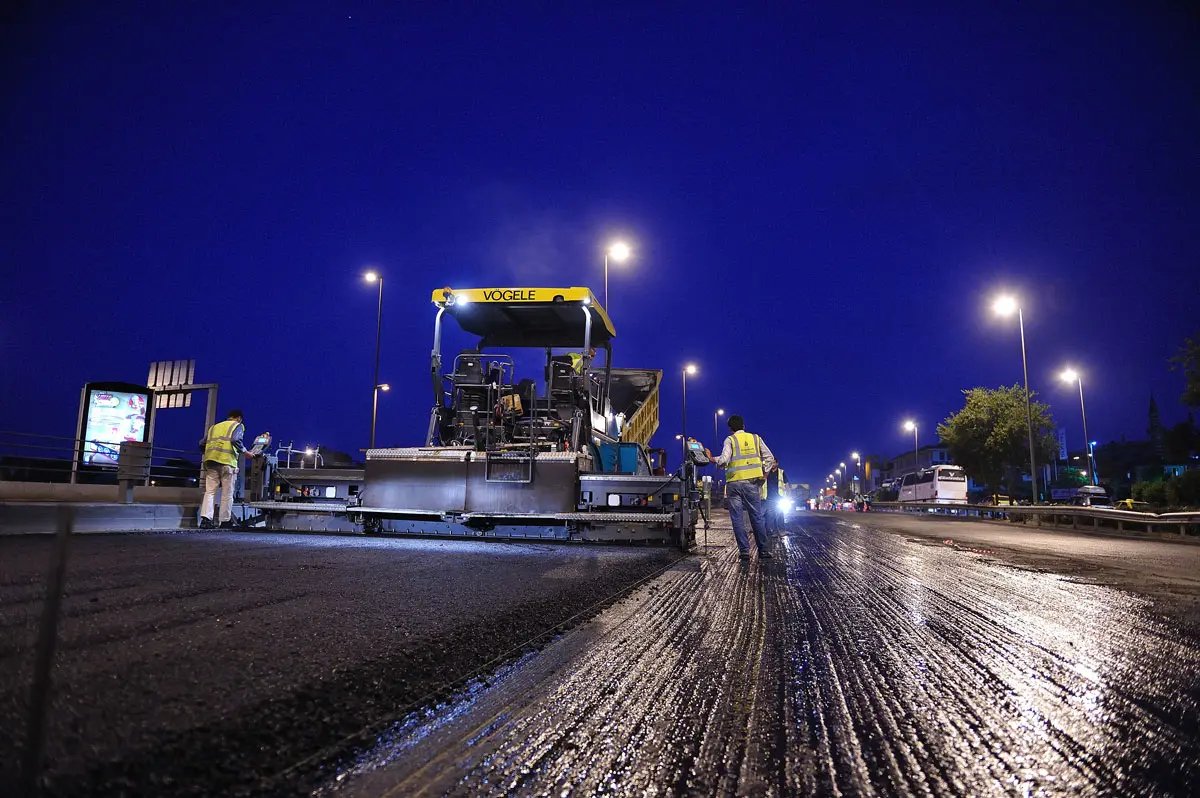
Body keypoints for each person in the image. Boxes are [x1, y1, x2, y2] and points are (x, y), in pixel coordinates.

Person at [710, 414, 776, 560]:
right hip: (752, 484)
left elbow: (723, 461)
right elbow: (769, 458)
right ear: (743, 426)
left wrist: (711, 459)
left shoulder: (730, 440)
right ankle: (764, 551)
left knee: (737, 519)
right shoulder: (755, 438)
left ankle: (744, 552)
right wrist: (764, 475)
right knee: (757, 517)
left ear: (730, 428)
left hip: (734, 484)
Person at [199, 409, 248, 529]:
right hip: (227, 462)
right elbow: (236, 440)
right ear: (239, 418)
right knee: (227, 493)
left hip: (211, 462)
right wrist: (245, 451)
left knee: (210, 492)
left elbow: (201, 443)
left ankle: (206, 520)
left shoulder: (214, 427)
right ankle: (225, 521)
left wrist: (208, 453)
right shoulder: (238, 426)